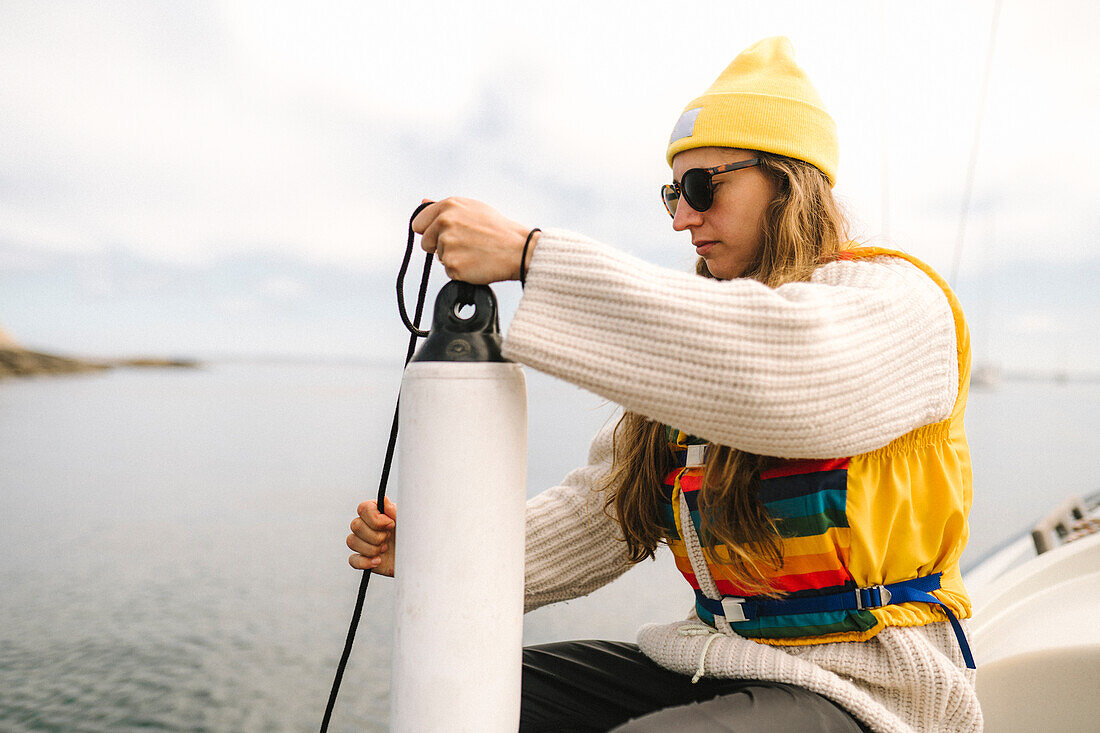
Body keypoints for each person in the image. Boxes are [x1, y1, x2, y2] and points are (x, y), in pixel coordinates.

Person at [347, 37, 982, 732]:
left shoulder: (899, 305)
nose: (682, 217)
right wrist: (441, 550)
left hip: (864, 694)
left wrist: (532, 258)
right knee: (484, 691)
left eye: (705, 187)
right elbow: (599, 514)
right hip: (717, 661)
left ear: (787, 181)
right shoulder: (700, 343)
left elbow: (779, 367)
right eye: (672, 193)